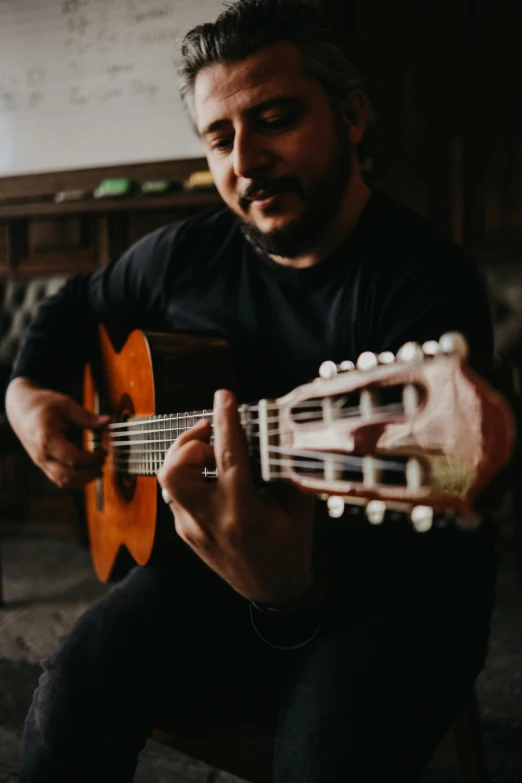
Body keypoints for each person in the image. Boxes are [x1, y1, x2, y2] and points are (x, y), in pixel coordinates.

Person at [6, 1, 498, 781]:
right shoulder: (181, 255)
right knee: (69, 692)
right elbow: (75, 304)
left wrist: (291, 588)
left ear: (352, 115)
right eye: (219, 136)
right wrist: (25, 394)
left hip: (387, 592)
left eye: (274, 119)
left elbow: (433, 525)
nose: (245, 159)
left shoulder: (423, 284)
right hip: (201, 567)